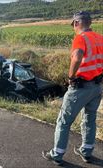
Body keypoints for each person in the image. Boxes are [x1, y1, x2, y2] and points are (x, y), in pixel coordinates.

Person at [42, 11, 103, 166]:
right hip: (97, 86)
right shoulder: (100, 38)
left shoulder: (80, 38)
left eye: (73, 24)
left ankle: (57, 154)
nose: (73, 27)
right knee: (89, 118)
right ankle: (86, 151)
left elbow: (77, 57)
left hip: (81, 86)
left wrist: (71, 77)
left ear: (77, 23)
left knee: (64, 121)